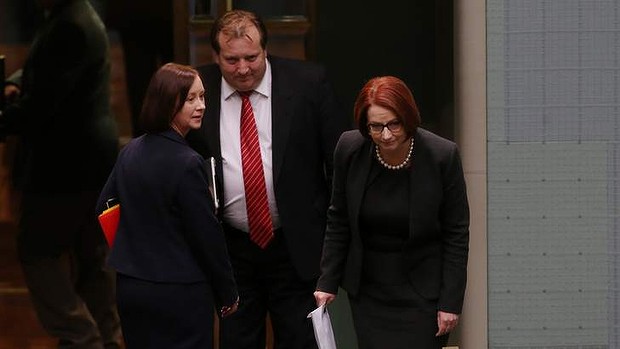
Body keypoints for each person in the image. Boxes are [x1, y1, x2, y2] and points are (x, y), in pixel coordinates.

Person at [186, 10, 349, 349]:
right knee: (237, 340)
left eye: (251, 57)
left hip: (295, 246)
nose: (243, 68)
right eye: (231, 60)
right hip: (230, 248)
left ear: (265, 51)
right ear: (215, 56)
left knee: (299, 340)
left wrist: (332, 240)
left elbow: (338, 165)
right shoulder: (195, 90)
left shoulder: (307, 84)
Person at [314, 76, 470, 349]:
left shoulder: (441, 156)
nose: (385, 135)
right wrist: (327, 281)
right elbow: (338, 218)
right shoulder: (350, 150)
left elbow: (456, 233)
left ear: (408, 118)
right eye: (375, 127)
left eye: (393, 124)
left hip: (423, 292)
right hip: (369, 291)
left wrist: (450, 302)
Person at [0, 0, 122, 347]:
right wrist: (16, 82)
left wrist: (4, 117)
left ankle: (81, 338)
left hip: (66, 166)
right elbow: (48, 69)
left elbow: (40, 107)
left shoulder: (69, 24)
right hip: (91, 163)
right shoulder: (78, 15)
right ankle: (106, 339)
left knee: (38, 252)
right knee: (92, 258)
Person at [96, 62, 239, 349]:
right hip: (180, 293)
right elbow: (205, 235)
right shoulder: (188, 163)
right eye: (190, 99)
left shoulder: (130, 151)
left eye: (202, 97)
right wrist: (228, 292)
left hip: (131, 286)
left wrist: (130, 248)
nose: (201, 106)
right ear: (166, 103)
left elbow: (105, 206)